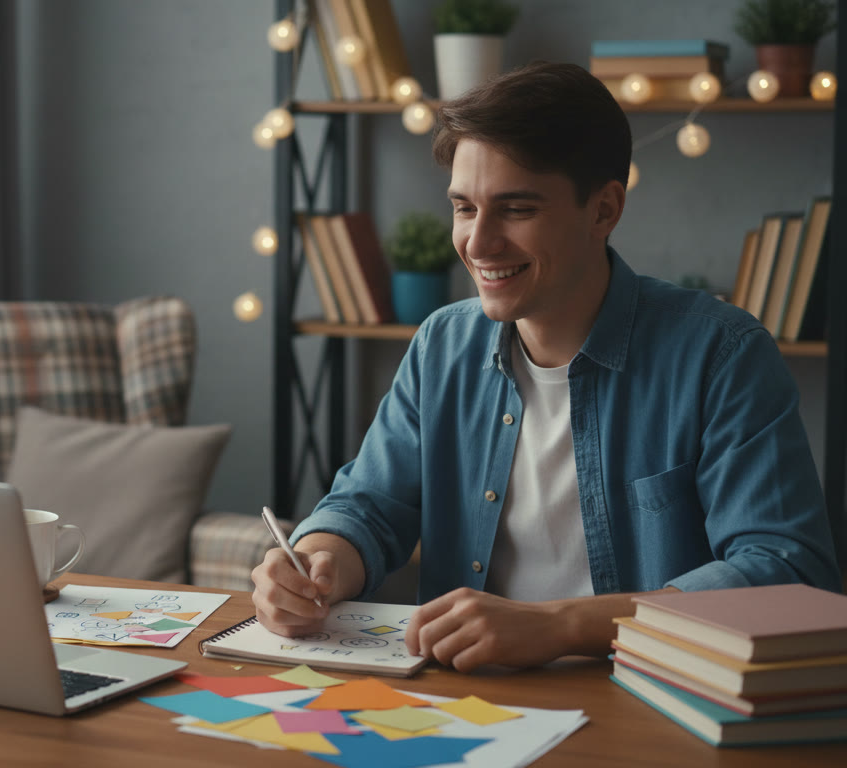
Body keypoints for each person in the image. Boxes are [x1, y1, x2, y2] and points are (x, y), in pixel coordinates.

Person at [251, 61, 841, 673]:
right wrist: (318, 559)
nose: (478, 244)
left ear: (603, 210)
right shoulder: (442, 345)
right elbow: (369, 505)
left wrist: (561, 626)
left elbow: (787, 575)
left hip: (650, 703)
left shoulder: (722, 354)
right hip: (468, 709)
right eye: (463, 208)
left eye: (516, 209)